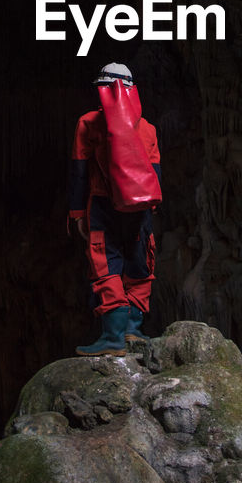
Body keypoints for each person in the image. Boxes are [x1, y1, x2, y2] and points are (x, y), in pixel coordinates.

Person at [68, 62, 161, 356]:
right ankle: (134, 328)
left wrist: (77, 213)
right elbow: (155, 175)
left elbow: (79, 172)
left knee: (106, 265)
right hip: (141, 208)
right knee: (139, 262)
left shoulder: (87, 123)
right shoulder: (147, 128)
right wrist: (150, 212)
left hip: (102, 205)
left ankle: (113, 336)